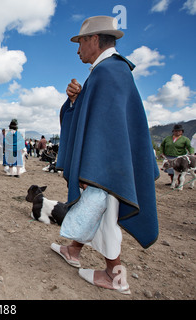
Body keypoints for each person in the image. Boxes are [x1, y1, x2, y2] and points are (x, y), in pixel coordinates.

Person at [53, 16, 159, 294]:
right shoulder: (108, 71)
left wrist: (93, 170)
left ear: (94, 40)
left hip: (108, 168)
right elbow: (96, 120)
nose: (78, 50)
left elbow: (106, 131)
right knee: (96, 209)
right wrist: (75, 100)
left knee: (106, 213)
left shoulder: (108, 72)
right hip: (109, 164)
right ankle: (73, 251)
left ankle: (115, 276)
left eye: (80, 43)